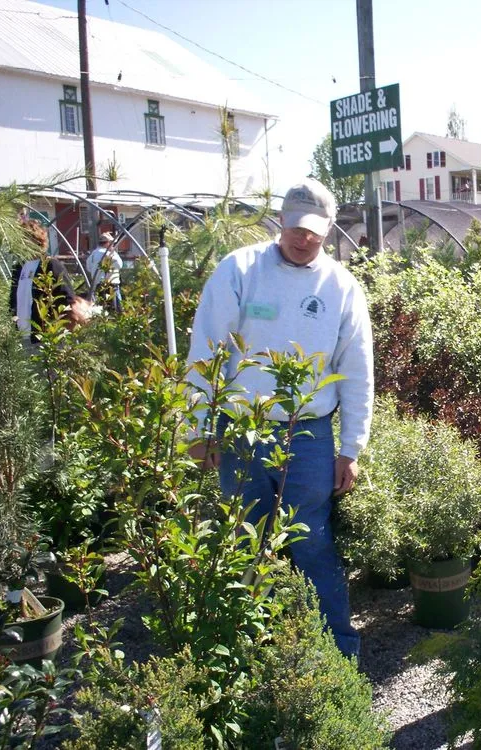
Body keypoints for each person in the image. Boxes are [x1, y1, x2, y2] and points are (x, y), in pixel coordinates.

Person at [185, 177, 373, 659]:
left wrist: (351, 448)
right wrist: (198, 427)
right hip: (240, 430)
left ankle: (338, 653)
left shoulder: (341, 287)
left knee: (312, 542)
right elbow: (206, 348)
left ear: (328, 230)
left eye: (314, 231)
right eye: (296, 227)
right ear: (281, 221)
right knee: (244, 538)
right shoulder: (239, 270)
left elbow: (356, 371)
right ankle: (250, 651)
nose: (303, 239)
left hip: (308, 435)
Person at [9, 219, 89, 343]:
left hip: (45, 338)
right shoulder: (19, 268)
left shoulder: (51, 265)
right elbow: (13, 300)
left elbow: (67, 300)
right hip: (21, 336)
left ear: (34, 240)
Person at [86, 231, 123, 312]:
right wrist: (113, 252)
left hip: (97, 285)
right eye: (112, 243)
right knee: (116, 310)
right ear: (108, 243)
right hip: (111, 285)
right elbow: (119, 265)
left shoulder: (93, 254)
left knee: (102, 308)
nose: (113, 245)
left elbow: (88, 268)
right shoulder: (109, 254)